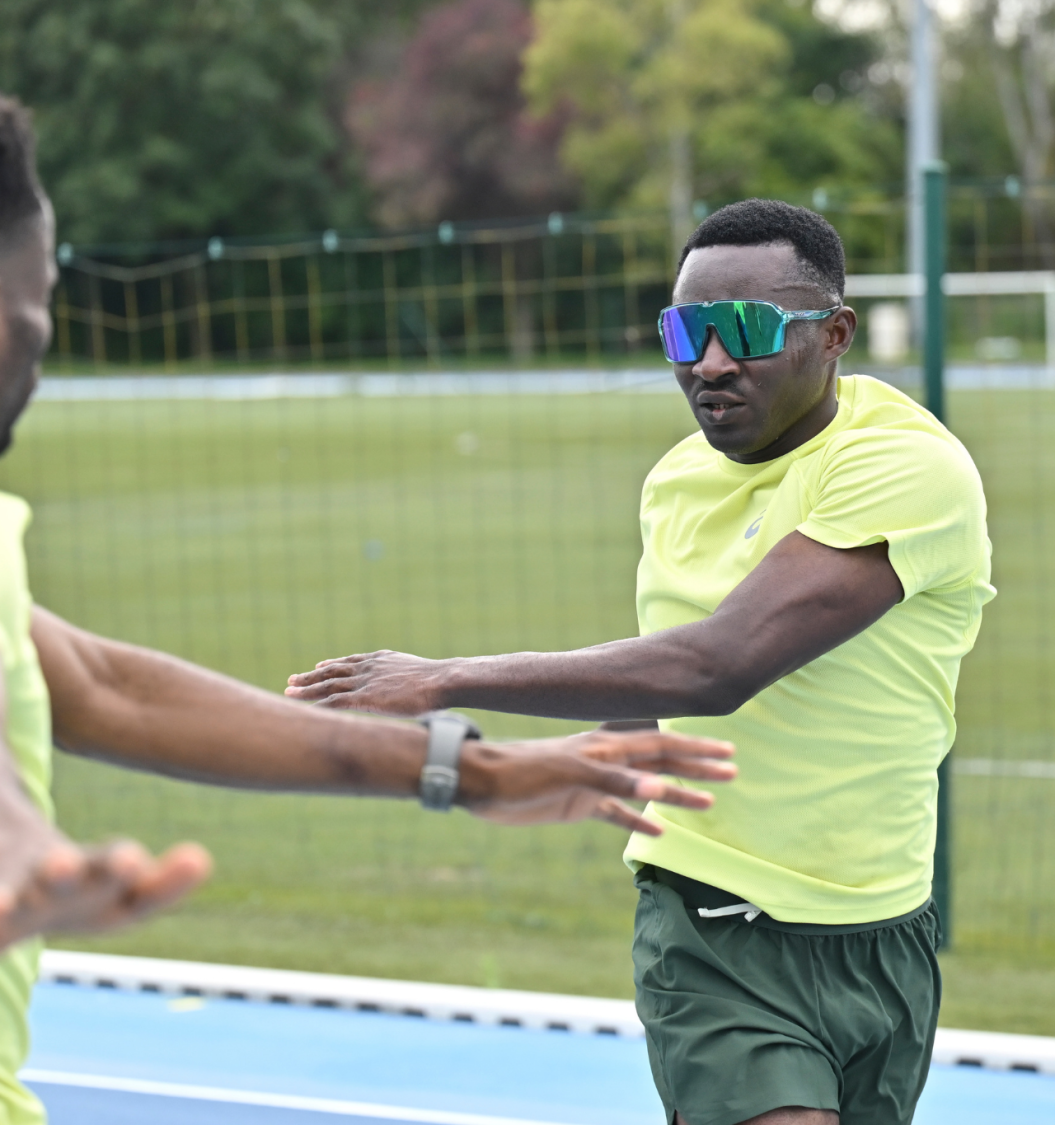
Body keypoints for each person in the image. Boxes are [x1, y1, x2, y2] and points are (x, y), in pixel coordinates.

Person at [0, 78, 734, 1124]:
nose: (42, 332)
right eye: (43, 296)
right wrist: (1, 844)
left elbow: (90, 684)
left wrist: (460, 768)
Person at [288, 199, 993, 1125]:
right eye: (685, 332)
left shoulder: (907, 467)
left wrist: (443, 675)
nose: (710, 363)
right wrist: (534, 768)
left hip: (884, 927)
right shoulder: (674, 483)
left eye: (745, 329)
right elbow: (662, 685)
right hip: (714, 924)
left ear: (834, 335)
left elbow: (719, 664)